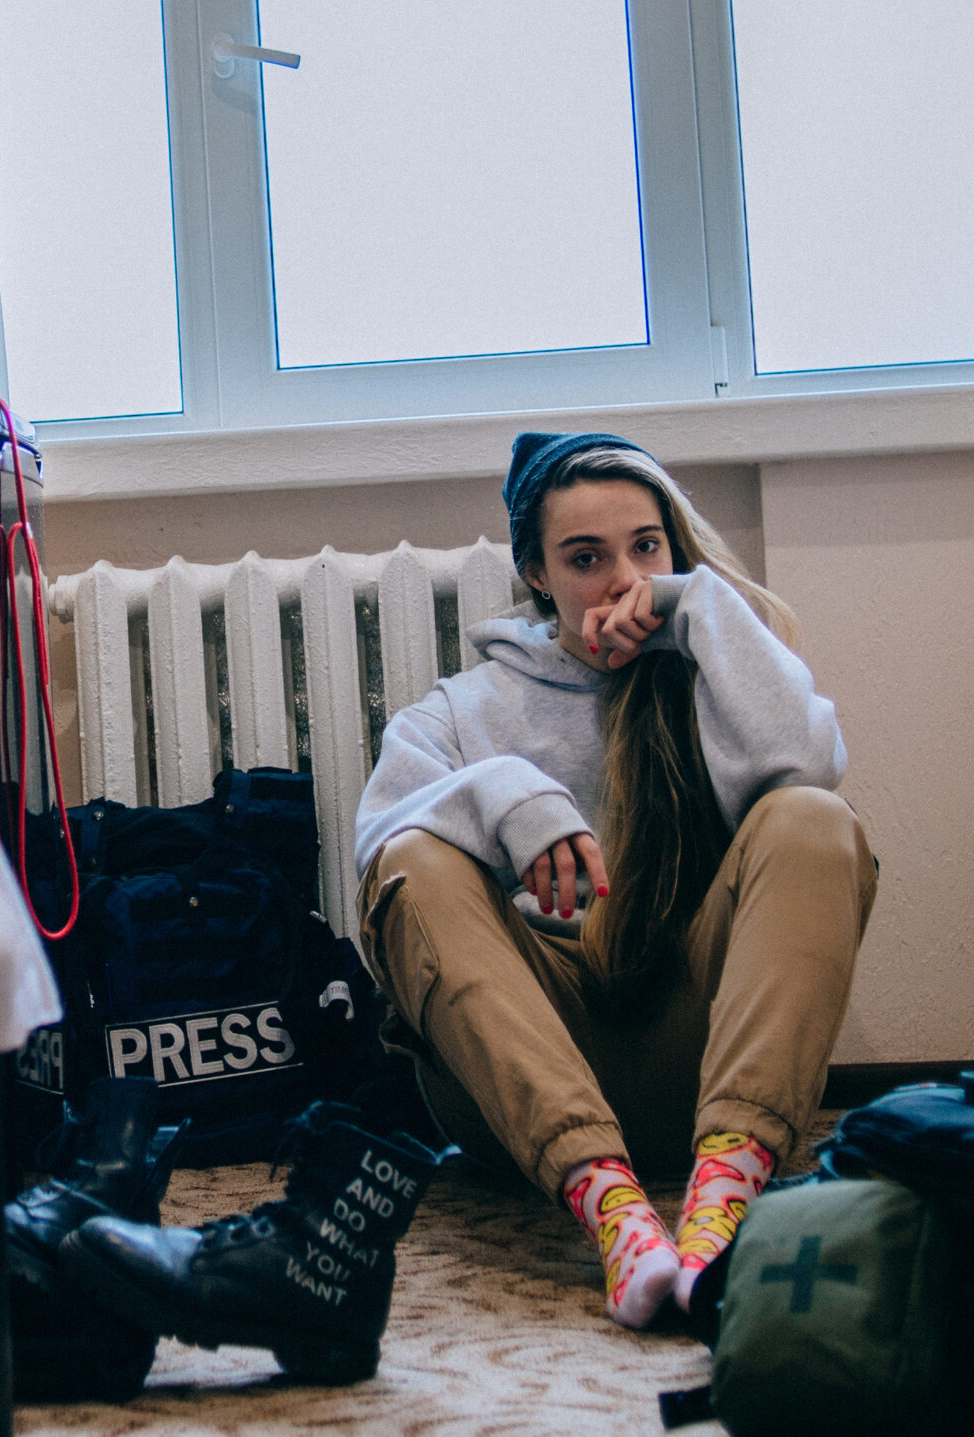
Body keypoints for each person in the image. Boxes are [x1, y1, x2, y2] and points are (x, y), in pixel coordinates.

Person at [352, 430, 875, 1328]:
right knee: (414, 856)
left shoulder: (715, 670)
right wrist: (505, 793)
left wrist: (699, 608)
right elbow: (375, 858)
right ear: (537, 573)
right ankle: (616, 1215)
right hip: (523, 1087)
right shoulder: (463, 709)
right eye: (586, 558)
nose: (624, 579)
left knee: (813, 818)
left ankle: (722, 1206)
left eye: (646, 547)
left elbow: (806, 764)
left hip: (702, 1061)